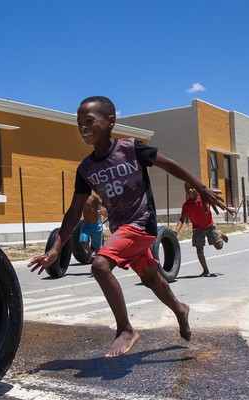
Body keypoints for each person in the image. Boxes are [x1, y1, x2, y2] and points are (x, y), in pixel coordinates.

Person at [28, 96, 226, 358]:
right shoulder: (85, 169)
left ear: (110, 122)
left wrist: (201, 188)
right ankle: (180, 309)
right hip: (121, 229)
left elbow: (170, 165)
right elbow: (74, 211)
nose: (83, 127)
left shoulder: (131, 149)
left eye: (89, 121)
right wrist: (56, 248)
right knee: (151, 278)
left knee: (99, 265)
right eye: (79, 124)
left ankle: (126, 329)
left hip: (142, 224)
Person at [174, 182, 229, 277]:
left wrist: (211, 191)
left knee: (219, 246)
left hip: (209, 226)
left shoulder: (204, 198)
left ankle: (219, 233)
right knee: (199, 250)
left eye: (192, 187)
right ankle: (205, 270)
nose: (190, 190)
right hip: (197, 230)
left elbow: (215, 193)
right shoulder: (186, 205)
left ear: (196, 188)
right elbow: (182, 219)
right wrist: (176, 230)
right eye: (187, 189)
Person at [79, 193, 106, 263]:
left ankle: (94, 269)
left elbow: (106, 204)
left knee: (98, 251)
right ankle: (90, 251)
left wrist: (104, 210)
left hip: (96, 226)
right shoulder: (81, 197)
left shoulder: (94, 197)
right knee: (83, 241)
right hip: (86, 225)